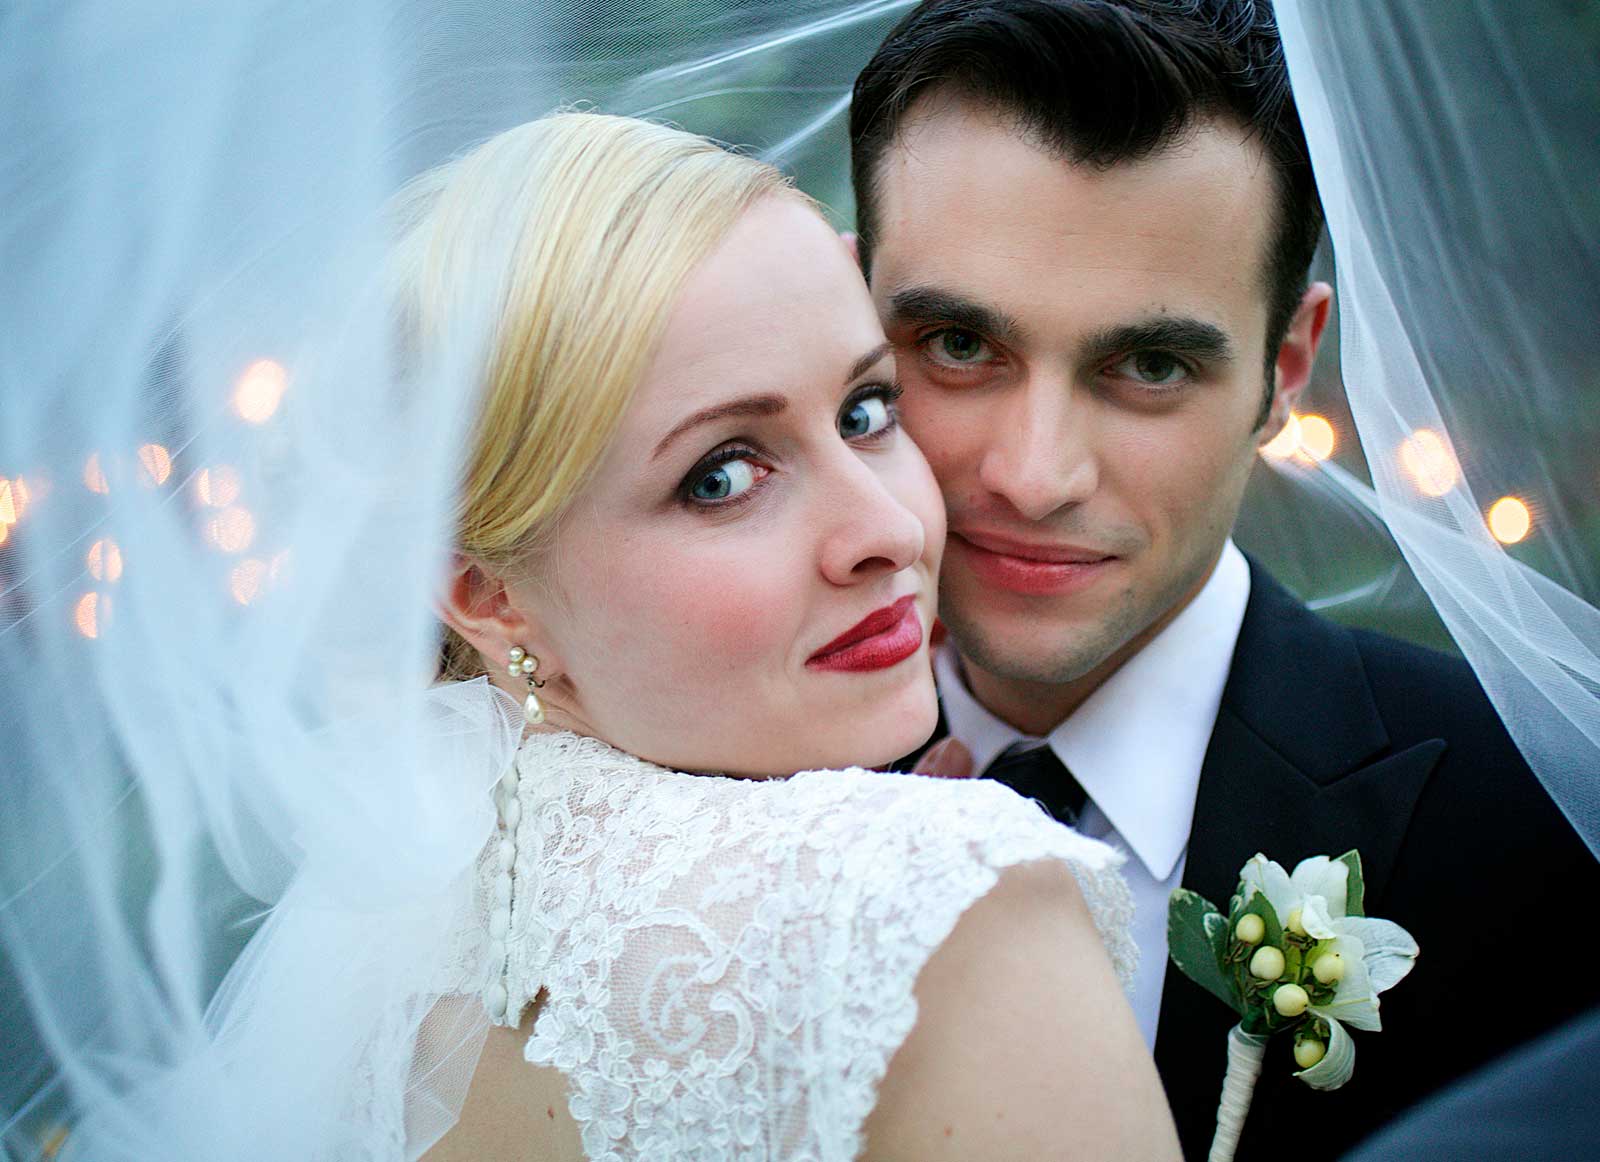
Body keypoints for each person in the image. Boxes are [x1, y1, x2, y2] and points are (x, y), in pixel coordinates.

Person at [847, 1, 1600, 1157]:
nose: (1034, 476)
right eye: (958, 345)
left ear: (1285, 368)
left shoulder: (1538, 837)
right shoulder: (704, 788)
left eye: (1149, 364)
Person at [387, 112, 1178, 1160]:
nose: (890, 529)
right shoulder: (939, 908)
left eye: (866, 412)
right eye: (722, 476)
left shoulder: (398, 935)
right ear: (488, 596)